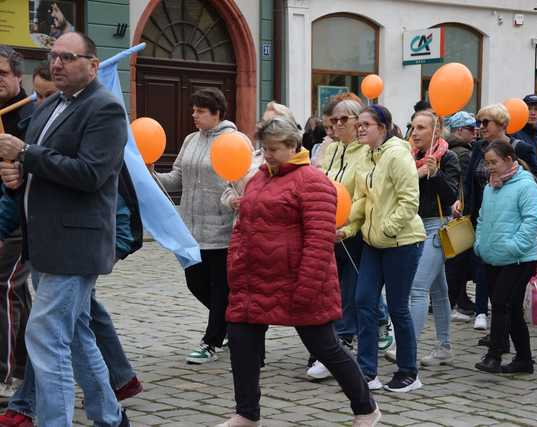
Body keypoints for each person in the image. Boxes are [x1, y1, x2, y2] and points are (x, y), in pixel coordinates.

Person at [0, 66, 144, 427]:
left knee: (47, 334)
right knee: (77, 330)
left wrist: (27, 157)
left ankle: (50, 417)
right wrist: (16, 179)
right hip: (47, 243)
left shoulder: (101, 114)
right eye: (40, 95)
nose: (43, 103)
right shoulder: (43, 120)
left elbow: (91, 177)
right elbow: (29, 184)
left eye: (49, 95)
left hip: (80, 244)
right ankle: (111, 416)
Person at [219, 117, 381, 427]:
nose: (267, 155)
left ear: (294, 147)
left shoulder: (313, 182)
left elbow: (320, 241)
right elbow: (243, 227)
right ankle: (246, 413)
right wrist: (237, 266)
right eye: (264, 148)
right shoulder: (258, 179)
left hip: (299, 282)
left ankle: (366, 408)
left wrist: (306, 288)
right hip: (254, 282)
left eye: (274, 149)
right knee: (241, 342)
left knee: (326, 348)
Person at [339, 105, 426, 393]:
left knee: (398, 308)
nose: (360, 128)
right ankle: (366, 371)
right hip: (373, 243)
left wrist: (386, 228)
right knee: (363, 300)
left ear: (383, 127)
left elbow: (409, 202)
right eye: (359, 124)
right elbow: (363, 200)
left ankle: (408, 372)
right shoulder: (366, 156)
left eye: (367, 124)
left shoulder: (398, 155)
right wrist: (349, 228)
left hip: (402, 242)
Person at [153, 87, 237, 364]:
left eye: (200, 111)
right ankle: (230, 325)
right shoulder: (191, 140)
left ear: (217, 113)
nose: (194, 115)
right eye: (194, 110)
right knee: (195, 282)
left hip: (221, 228)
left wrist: (234, 204)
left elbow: (240, 183)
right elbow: (177, 177)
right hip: (190, 228)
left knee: (220, 287)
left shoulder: (234, 140)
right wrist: (152, 175)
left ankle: (211, 340)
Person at [454, 104, 537, 336]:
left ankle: (500, 339)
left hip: (511, 223)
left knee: (504, 293)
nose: (480, 127)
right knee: (483, 267)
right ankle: (483, 315)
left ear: (502, 124)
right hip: (483, 216)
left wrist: (508, 181)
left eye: (486, 122)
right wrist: (462, 204)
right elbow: (469, 179)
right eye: (478, 122)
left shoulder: (520, 147)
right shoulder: (478, 148)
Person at [306, 97, 370, 380]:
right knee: (325, 289)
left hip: (351, 232)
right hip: (325, 229)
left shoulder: (366, 153)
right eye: (333, 120)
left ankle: (341, 344)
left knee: (349, 292)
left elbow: (363, 196)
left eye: (344, 120)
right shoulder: (331, 150)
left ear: (358, 122)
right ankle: (326, 345)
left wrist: (347, 226)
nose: (337, 125)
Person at [473, 141, 537, 374]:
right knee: (510, 309)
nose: (490, 167)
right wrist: (480, 244)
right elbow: (482, 218)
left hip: (519, 258)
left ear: (509, 160)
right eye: (488, 162)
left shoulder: (526, 185)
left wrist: (514, 246)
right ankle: (524, 359)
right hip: (493, 256)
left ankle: (495, 355)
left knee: (501, 303)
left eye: (495, 162)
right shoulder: (490, 187)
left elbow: (532, 220)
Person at [406, 110, 460, 367]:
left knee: (417, 288)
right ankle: (444, 346)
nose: (414, 133)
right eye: (412, 127)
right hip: (414, 228)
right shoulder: (408, 157)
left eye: (421, 128)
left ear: (435, 132)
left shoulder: (448, 157)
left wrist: (435, 174)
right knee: (439, 290)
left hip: (437, 228)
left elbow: (450, 198)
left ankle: (408, 347)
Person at [0, 45, 35, 399]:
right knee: (17, 290)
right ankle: (26, 365)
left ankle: (5, 374)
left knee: (4, 287)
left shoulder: (29, 114)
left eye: (2, 74)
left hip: (19, 217)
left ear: (17, 76)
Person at [444, 111, 477, 321]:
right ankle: (453, 301)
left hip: (451, 212)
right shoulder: (463, 153)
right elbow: (463, 185)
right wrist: (465, 208)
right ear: (459, 130)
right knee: (458, 261)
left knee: (454, 259)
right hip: (460, 214)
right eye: (471, 129)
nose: (475, 132)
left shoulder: (448, 149)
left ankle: (458, 298)